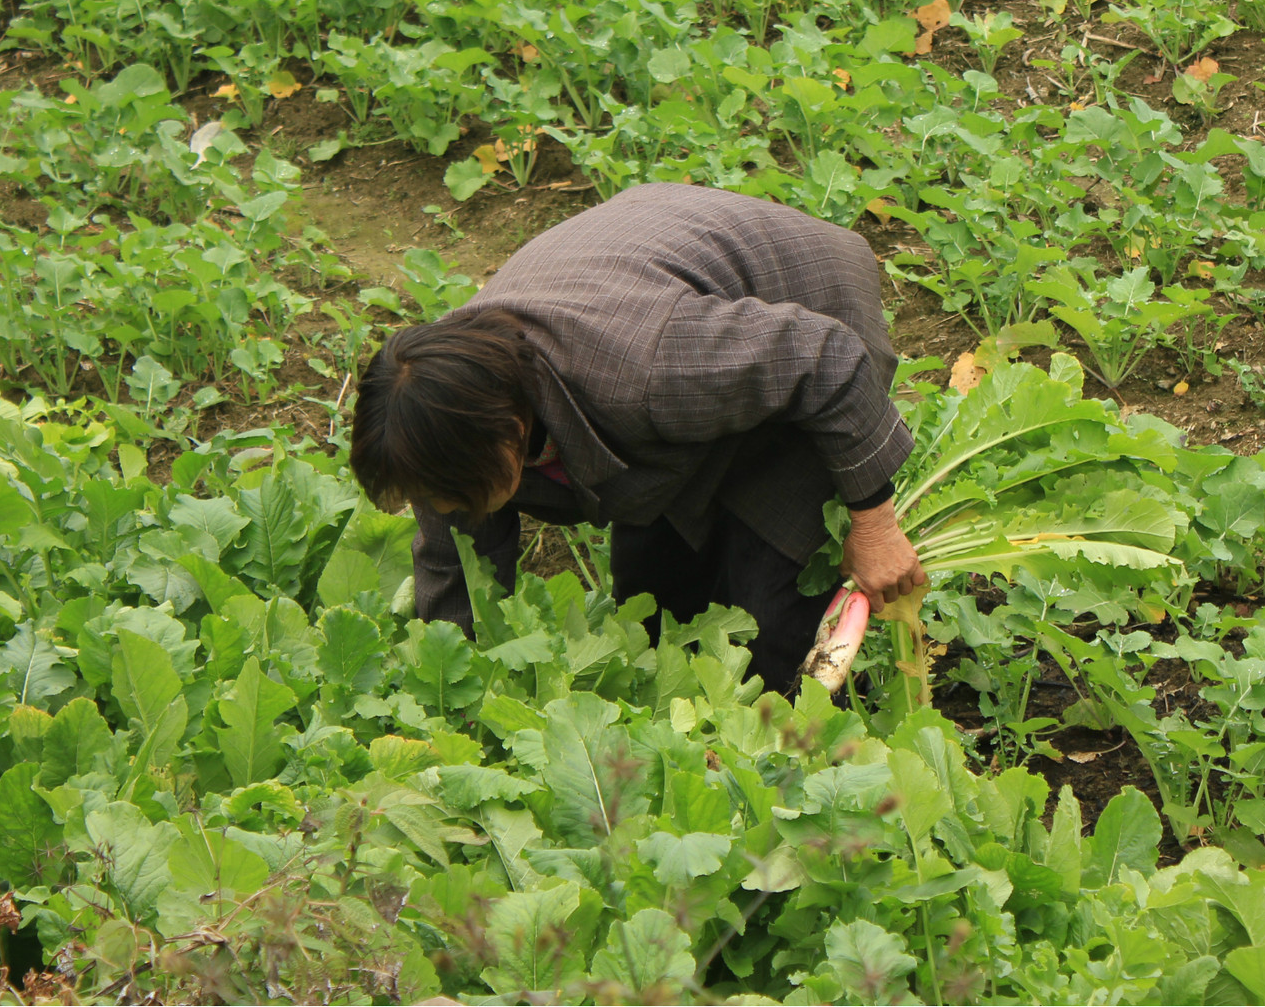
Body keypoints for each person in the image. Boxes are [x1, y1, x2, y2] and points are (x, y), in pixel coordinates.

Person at [348, 182, 927, 693]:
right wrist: (451, 688)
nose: (443, 507)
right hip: (662, 288)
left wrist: (874, 525)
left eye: (450, 494)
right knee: (653, 617)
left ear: (509, 431)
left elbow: (826, 361)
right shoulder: (440, 426)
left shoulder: (647, 371)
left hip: (806, 293)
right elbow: (458, 580)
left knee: (766, 640)